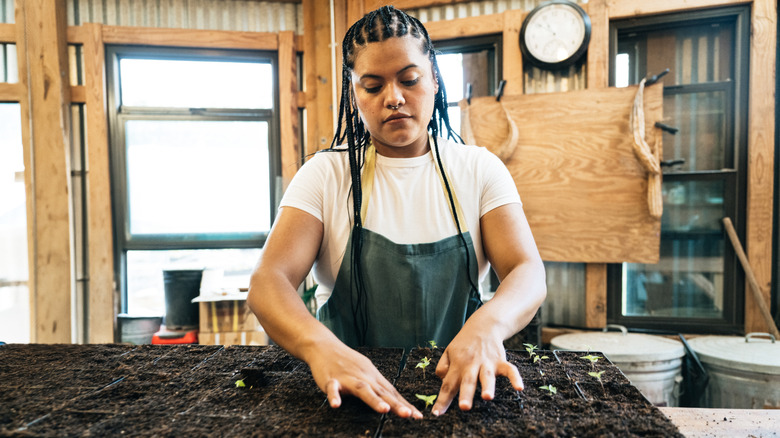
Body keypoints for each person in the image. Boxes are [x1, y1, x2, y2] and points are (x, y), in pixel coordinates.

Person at [247, 5, 546, 419]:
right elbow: (268, 282)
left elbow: (527, 270)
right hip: (350, 398)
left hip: (457, 389)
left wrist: (488, 326)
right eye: (372, 86)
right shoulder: (325, 175)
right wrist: (321, 348)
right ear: (354, 95)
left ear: (434, 80)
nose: (394, 98)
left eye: (409, 80)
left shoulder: (479, 170)